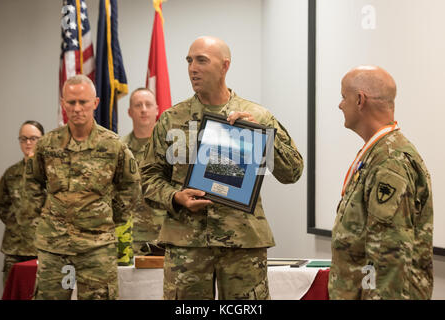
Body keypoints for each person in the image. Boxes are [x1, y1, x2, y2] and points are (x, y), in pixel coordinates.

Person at [140, 36, 304, 300]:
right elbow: (147, 177)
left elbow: (293, 172)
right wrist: (175, 196)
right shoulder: (171, 119)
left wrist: (260, 135)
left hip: (242, 243)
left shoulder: (258, 116)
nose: (193, 68)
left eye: (202, 60)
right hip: (186, 244)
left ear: (225, 65)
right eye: (189, 60)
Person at [25, 74, 141, 299]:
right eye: (71, 102)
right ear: (63, 104)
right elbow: (32, 184)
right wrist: (43, 218)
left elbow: (131, 186)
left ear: (95, 103)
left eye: (83, 102)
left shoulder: (113, 145)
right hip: (54, 247)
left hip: (96, 248)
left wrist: (108, 218)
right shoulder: (47, 145)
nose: (77, 108)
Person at [329, 65, 433, 299]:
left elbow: (388, 257)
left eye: (343, 97)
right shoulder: (379, 152)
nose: (340, 105)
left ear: (359, 100)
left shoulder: (389, 161)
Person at [0, 121, 46, 286]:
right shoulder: (11, 173)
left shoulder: (50, 173)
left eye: (33, 138)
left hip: (43, 248)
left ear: (43, 140)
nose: (28, 143)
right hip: (15, 248)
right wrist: (17, 222)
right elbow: (2, 205)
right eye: (23, 139)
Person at [119, 87, 165, 259]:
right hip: (130, 237)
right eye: (138, 105)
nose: (144, 109)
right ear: (130, 112)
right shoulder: (119, 148)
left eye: (148, 104)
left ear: (157, 109)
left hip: (163, 237)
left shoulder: (170, 148)